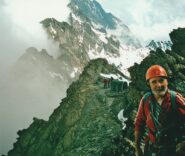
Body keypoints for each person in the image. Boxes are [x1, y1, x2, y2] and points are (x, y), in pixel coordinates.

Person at [134, 65, 185, 156]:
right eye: (154, 82)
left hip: (173, 149)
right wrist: (137, 148)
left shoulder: (176, 99)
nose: (159, 85)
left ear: (167, 81)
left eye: (161, 80)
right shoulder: (146, 100)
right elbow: (139, 123)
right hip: (152, 148)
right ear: (149, 84)